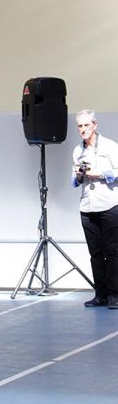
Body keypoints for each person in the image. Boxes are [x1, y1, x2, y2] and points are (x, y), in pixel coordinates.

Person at [71, 109, 118, 309]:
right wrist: (78, 175)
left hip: (109, 205)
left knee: (113, 252)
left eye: (86, 125)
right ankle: (101, 295)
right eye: (80, 126)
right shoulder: (77, 151)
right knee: (95, 254)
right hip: (87, 207)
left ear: (95, 125)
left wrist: (99, 173)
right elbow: (74, 181)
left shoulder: (110, 146)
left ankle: (115, 294)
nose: (83, 129)